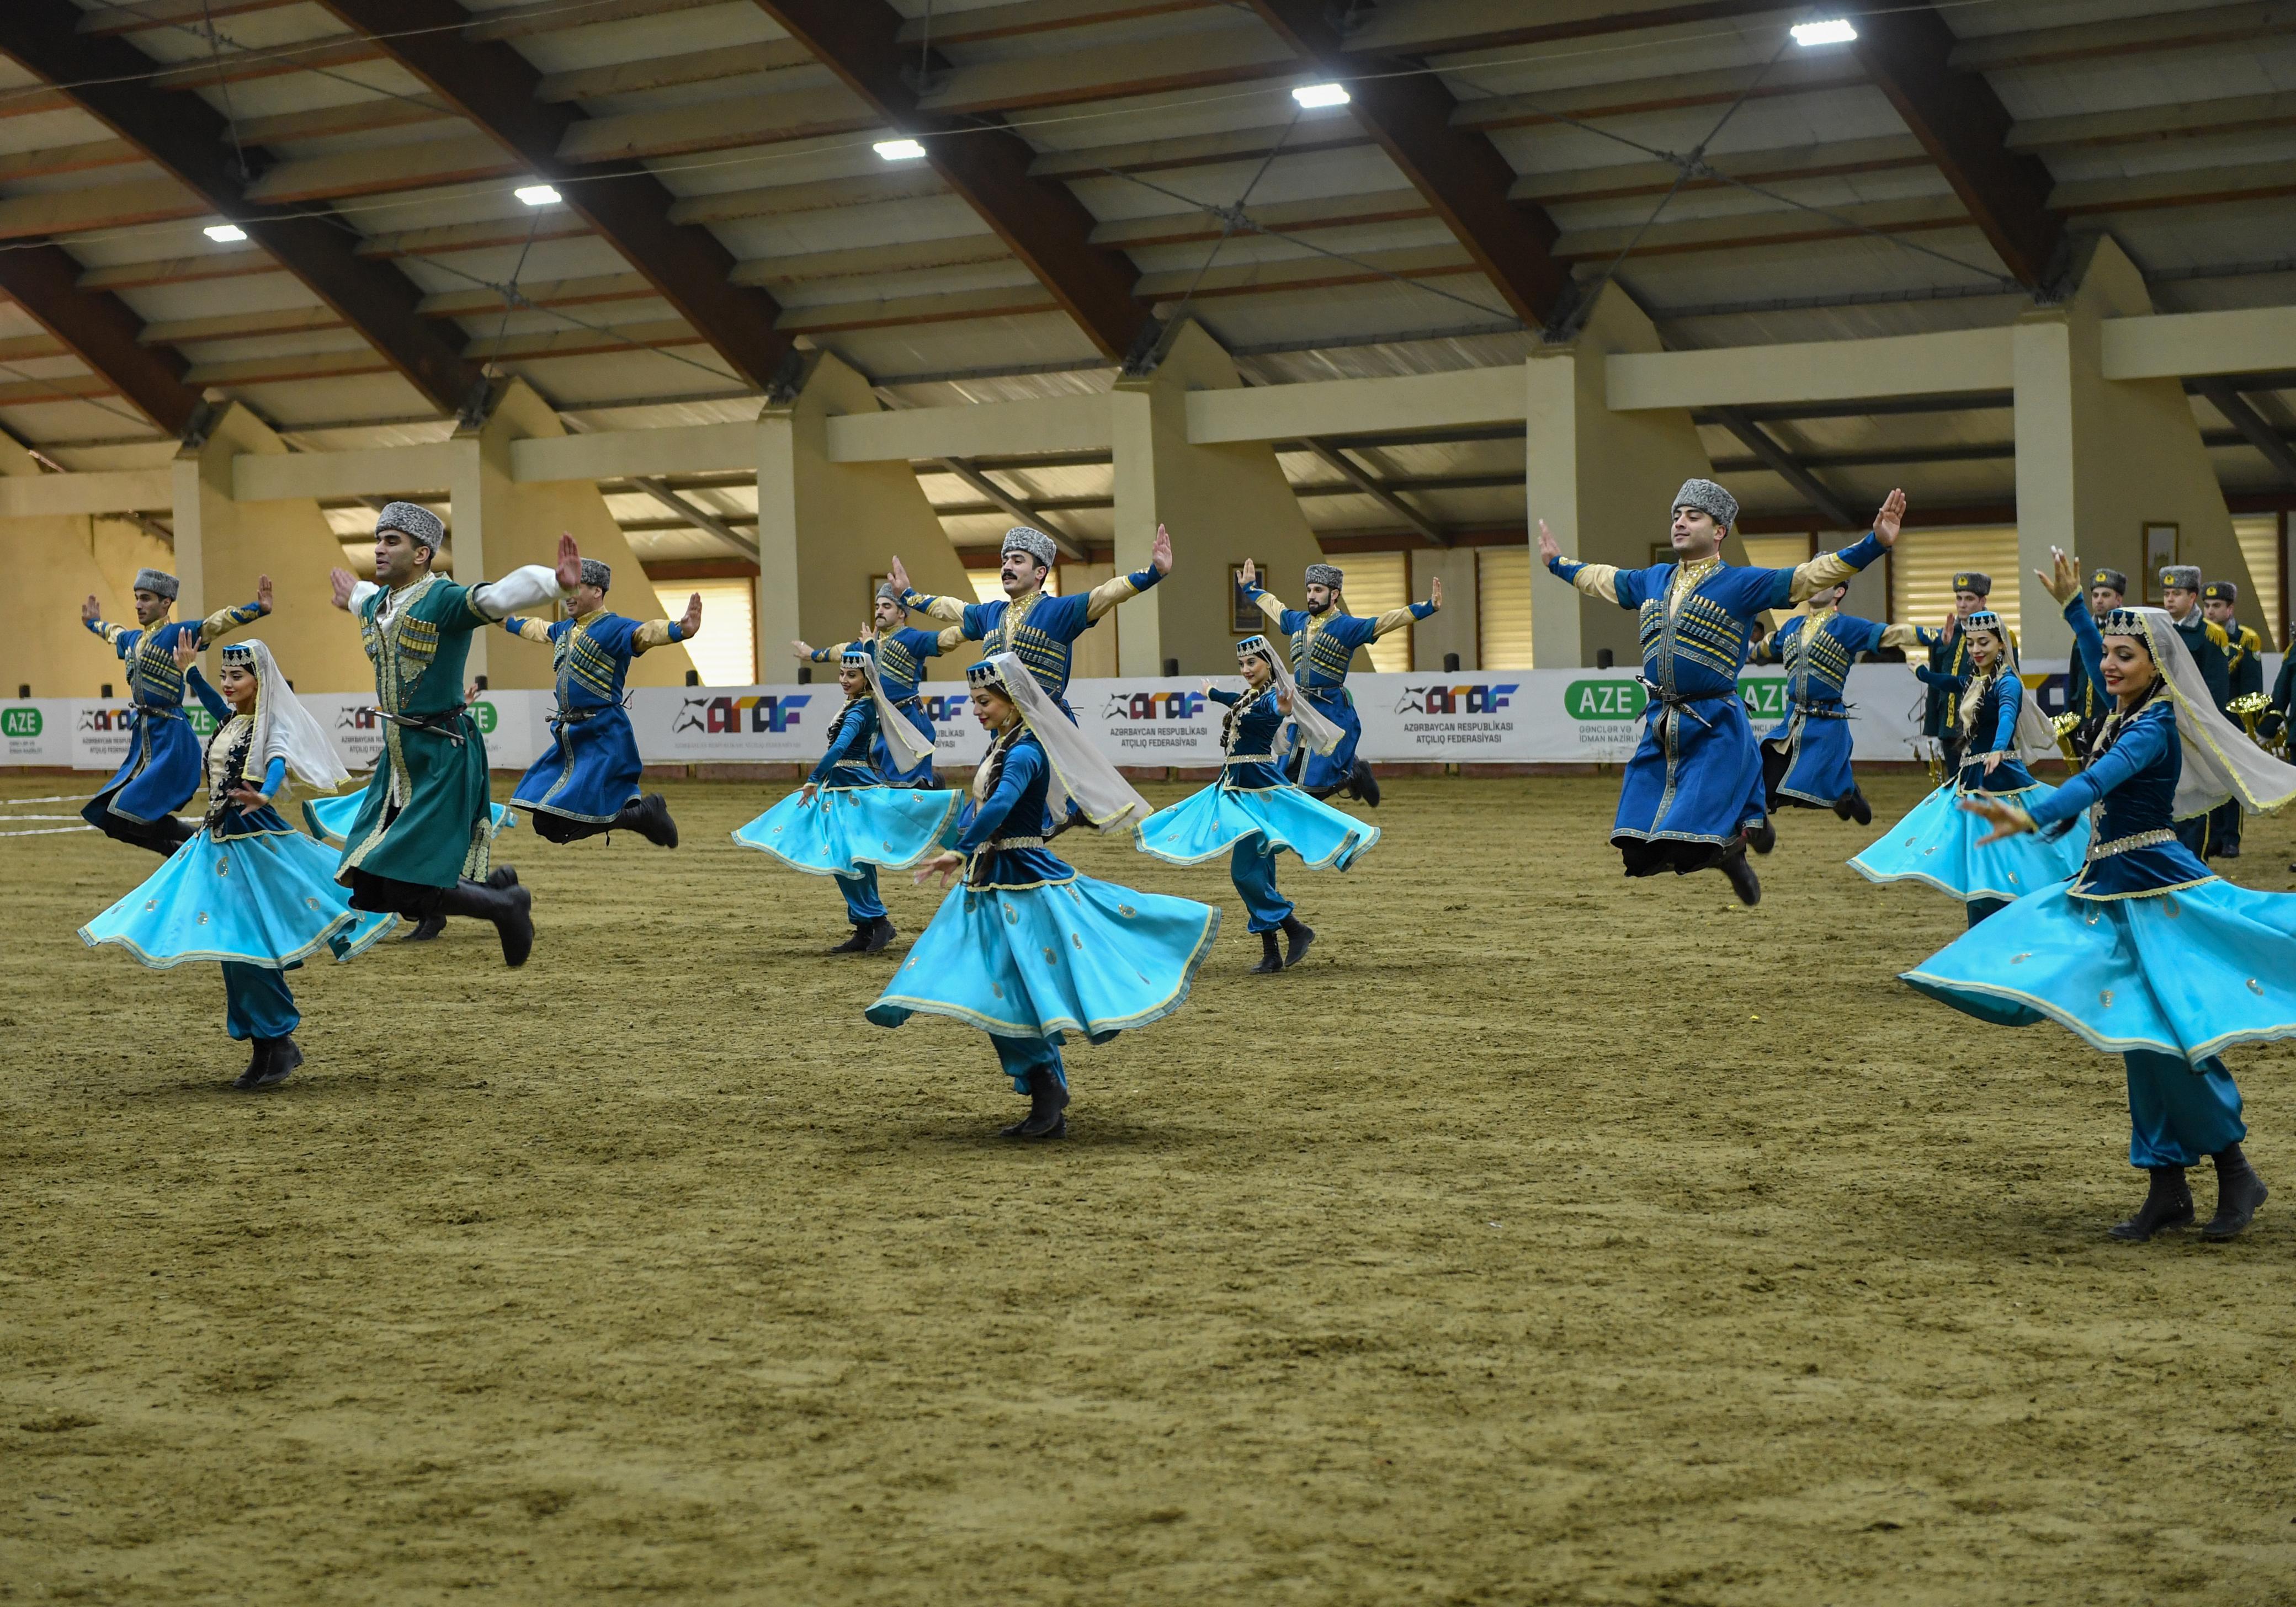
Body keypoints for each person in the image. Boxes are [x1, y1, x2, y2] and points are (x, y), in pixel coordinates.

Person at [1902, 549, 2296, 1243]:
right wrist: (2074, 607)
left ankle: (2234, 1173)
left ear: (2155, 666)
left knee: (2171, 1038)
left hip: (2156, 889)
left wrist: (2030, 815)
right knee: (2140, 1039)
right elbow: (2095, 654)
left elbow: (2094, 782)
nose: (2108, 665)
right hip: (2110, 888)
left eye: (2124, 656)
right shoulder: (2128, 706)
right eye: (2106, 654)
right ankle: (2165, 1187)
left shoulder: (2151, 726)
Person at [867, 653, 1219, 1140]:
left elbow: (1005, 804)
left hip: (1020, 877)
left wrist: (959, 850)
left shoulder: (1026, 751)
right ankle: (1045, 1084)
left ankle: (1046, 1087)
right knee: (999, 984)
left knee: (1014, 984)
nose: (977, 710)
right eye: (973, 701)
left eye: (984, 701)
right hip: (994, 876)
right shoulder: (1005, 745)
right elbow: (985, 807)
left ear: (1012, 701)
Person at [1537, 480, 1904, 906]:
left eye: (1693, 516)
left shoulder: (1741, 584)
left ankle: (1731, 854)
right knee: (1637, 854)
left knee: (1692, 846)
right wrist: (1556, 563)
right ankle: (1734, 846)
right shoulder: (1653, 579)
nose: (1680, 523)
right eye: (1677, 515)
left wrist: (1875, 543)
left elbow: (1809, 577)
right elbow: (1600, 578)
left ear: (1719, 532)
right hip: (1661, 727)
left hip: (1714, 728)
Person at [79, 637, 396, 1090]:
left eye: (237, 677)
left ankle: (278, 1038)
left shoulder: (272, 727)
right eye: (225, 677)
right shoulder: (231, 720)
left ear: (259, 681)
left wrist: (266, 792)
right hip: (220, 839)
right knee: (231, 944)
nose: (227, 685)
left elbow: (278, 764)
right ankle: (266, 1045)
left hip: (252, 837)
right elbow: (214, 703)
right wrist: (191, 674)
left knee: (248, 940)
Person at [326, 502, 581, 967]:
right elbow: (363, 596)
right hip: (400, 755)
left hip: (442, 749)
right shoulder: (380, 602)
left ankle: (505, 907)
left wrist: (554, 584)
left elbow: (497, 597)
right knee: (370, 884)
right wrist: (350, 596)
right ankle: (495, 894)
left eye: (392, 541)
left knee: (404, 874)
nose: (379, 548)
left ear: (422, 554)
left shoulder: (442, 600)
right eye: (378, 538)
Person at [1134, 634, 1376, 973]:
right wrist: (1212, 694)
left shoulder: (1270, 701)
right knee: (1259, 872)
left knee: (1244, 872)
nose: (1247, 669)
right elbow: (1237, 700)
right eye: (1243, 665)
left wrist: (1283, 709)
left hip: (1255, 791)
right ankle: (1272, 953)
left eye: (1253, 663)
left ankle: (1295, 928)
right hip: (1235, 790)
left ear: (1269, 664)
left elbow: (1272, 709)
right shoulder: (1251, 697)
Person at [1849, 608, 2087, 923]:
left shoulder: (2008, 684)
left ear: (2001, 644)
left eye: (1984, 643)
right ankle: (1984, 919)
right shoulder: (1975, 681)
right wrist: (1921, 673)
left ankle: (2004, 916)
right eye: (1972, 643)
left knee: (2009, 852)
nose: (1976, 650)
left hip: (2000, 776)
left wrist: (1999, 749)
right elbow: (1949, 682)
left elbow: (2007, 715)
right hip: (1972, 778)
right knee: (1978, 853)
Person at [733, 646, 961, 954]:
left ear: (866, 679)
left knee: (850, 858)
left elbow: (840, 748)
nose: (843, 679)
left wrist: (814, 778)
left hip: (854, 791)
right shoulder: (855, 704)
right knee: (850, 859)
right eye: (841, 673)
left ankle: (877, 921)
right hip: (841, 791)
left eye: (851, 675)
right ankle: (866, 926)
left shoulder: (860, 709)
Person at [501, 558, 697, 848]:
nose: (568, 595)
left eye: (576, 587)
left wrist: (680, 629)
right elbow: (539, 629)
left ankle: (644, 814)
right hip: (570, 736)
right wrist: (508, 621)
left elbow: (645, 633)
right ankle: (642, 815)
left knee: (564, 821)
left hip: (604, 735)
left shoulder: (614, 628)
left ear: (597, 591)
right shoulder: (565, 630)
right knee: (546, 824)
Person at [78, 568, 272, 855]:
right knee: (112, 818)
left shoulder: (176, 634)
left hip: (171, 739)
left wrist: (258, 609)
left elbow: (216, 623)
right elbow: (112, 632)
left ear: (166, 603)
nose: (138, 605)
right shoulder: (132, 640)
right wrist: (93, 622)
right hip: (145, 740)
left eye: (145, 598)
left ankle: (195, 845)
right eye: (137, 598)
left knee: (124, 812)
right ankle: (181, 851)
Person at [887, 524, 1172, 717]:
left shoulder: (1058, 611)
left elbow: (1106, 594)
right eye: (1005, 561)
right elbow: (950, 608)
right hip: (1002, 731)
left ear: (1040, 573)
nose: (1007, 568)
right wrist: (908, 595)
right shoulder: (990, 614)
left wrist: (1152, 573)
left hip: (1049, 728)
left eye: (1018, 561)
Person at [1236, 560, 1441, 806]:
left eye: (1318, 590)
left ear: (1334, 595)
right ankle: (1350, 773)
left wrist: (1428, 607)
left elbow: (1385, 622)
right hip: (1300, 709)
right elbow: (1275, 607)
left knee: (1314, 787)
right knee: (1286, 781)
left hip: (1331, 710)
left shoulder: (1347, 627)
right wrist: (1250, 588)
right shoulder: (1298, 621)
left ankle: (1352, 774)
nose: (1311, 596)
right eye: (1309, 590)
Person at [1746, 581, 1928, 826]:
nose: (1813, 585)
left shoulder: (1846, 627)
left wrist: (1934, 636)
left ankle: (1847, 794)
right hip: (1792, 722)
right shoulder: (1792, 626)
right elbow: (1764, 649)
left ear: (1839, 592)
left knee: (1819, 780)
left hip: (1826, 723)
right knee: (1765, 781)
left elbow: (1888, 634)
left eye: (1823, 582)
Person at [793, 582, 947, 787]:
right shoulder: (869, 642)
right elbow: (843, 650)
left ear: (902, 613)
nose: (879, 611)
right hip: (877, 721)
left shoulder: (911, 638)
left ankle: (933, 787)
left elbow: (942, 640)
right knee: (877, 783)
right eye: (877, 607)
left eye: (886, 606)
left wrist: (970, 629)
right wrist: (813, 655)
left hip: (907, 719)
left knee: (909, 784)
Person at [2157, 564, 2233, 858]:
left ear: (2192, 597)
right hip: (2164, 725)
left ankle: (2194, 859)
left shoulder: (2210, 635)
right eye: (2166, 594)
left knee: (2195, 794)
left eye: (2177, 594)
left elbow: (2214, 689)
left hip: (2193, 727)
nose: (2170, 600)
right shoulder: (2160, 631)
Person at [1920, 572, 2015, 775]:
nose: (1962, 605)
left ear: (1983, 601)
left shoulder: (2000, 635)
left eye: (1969, 599)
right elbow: (1935, 686)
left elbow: (2010, 682)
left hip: (1983, 730)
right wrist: (1932, 732)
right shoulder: (1945, 634)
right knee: (1956, 794)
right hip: (1949, 729)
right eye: (1959, 598)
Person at [2201, 579, 2263, 858]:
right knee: (2208, 781)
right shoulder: (2202, 637)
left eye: (2217, 606)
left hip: (2234, 722)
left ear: (2230, 608)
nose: (2210, 611)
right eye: (2207, 606)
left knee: (2232, 783)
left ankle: (2230, 838)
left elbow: (2252, 686)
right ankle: (2212, 838)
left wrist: (2251, 727)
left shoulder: (2246, 639)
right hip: (2205, 719)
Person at [2060, 566, 2127, 756]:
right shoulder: (2080, 637)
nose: (2099, 600)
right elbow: (2074, 681)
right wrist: (2070, 716)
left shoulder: (2127, 637)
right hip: (2083, 720)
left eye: (2106, 595)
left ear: (2119, 599)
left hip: (2110, 717)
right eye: (2095, 595)